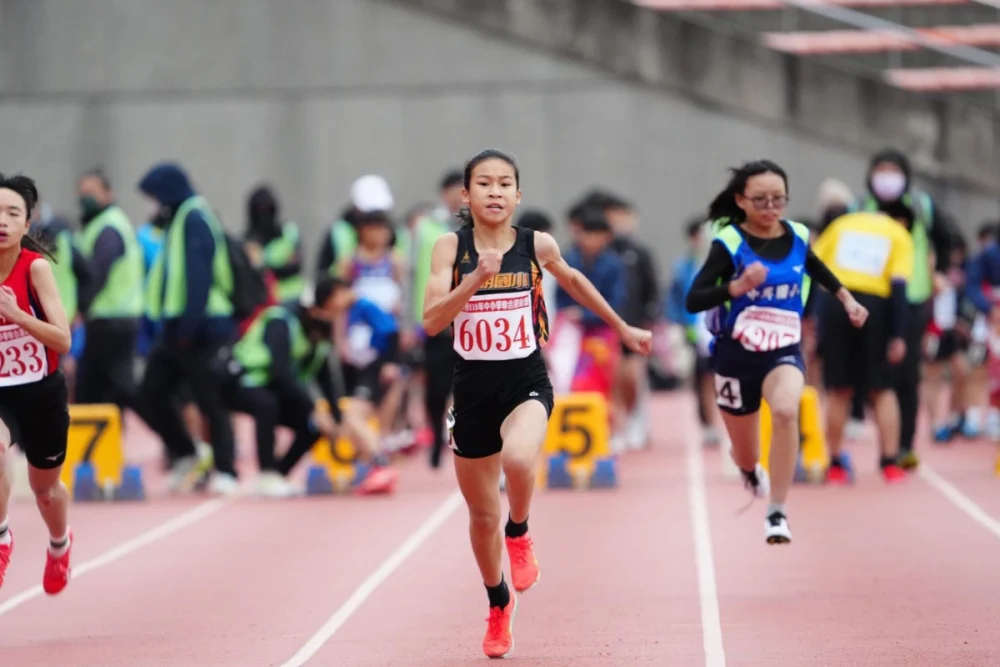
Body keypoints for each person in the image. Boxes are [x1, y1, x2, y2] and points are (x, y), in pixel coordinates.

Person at [422, 149, 651, 659]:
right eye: (484, 183)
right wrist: (475, 279)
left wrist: (622, 327)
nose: (495, 191)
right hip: (472, 388)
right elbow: (433, 320)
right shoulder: (448, 248)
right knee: (481, 516)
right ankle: (498, 603)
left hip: (524, 378)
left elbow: (574, 282)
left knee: (520, 458)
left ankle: (520, 530)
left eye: (505, 183)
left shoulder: (536, 244)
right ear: (466, 195)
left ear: (518, 195)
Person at [686, 160, 867, 544]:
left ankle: (777, 511)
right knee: (746, 454)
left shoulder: (799, 234)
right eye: (761, 200)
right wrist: (734, 288)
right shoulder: (730, 244)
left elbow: (818, 270)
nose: (771, 207)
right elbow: (694, 298)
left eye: (778, 199)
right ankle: (751, 472)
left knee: (787, 410)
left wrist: (847, 300)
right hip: (735, 355)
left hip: (783, 349)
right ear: (742, 201)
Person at [136, 162, 236, 495]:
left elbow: (199, 277)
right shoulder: (177, 220)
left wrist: (188, 328)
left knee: (210, 399)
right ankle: (187, 452)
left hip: (201, 326)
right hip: (176, 325)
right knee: (151, 390)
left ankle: (227, 469)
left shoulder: (195, 218)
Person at [851, 148, 954, 467]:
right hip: (871, 297)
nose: (886, 177)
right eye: (880, 169)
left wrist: (940, 272)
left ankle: (904, 445)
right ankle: (875, 436)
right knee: (871, 373)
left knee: (907, 372)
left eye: (893, 170)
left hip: (912, 297)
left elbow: (947, 238)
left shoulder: (922, 207)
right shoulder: (860, 207)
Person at [0, 173, 74, 594]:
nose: (3, 221)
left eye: (13, 213)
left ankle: (60, 546)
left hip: (40, 391)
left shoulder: (36, 269)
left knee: (45, 490)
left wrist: (18, 316)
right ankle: (1, 538)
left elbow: (62, 339)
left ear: (27, 225)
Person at [811, 206, 913, 483]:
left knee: (838, 388)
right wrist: (899, 335)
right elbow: (900, 288)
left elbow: (815, 271)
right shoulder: (898, 233)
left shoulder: (842, 224)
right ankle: (889, 463)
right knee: (882, 388)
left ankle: (834, 464)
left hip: (836, 304)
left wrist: (814, 321)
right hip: (875, 308)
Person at [225, 278, 345, 497]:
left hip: (275, 387)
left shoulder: (323, 331)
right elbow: (280, 374)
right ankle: (267, 473)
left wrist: (336, 420)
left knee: (312, 426)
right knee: (266, 405)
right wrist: (314, 409)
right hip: (242, 381)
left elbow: (326, 379)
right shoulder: (280, 321)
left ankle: (280, 473)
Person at [244, 185, 305, 307]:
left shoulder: (289, 233)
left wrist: (266, 268)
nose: (264, 216)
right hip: (263, 303)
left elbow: (295, 267)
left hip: (293, 299)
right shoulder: (248, 241)